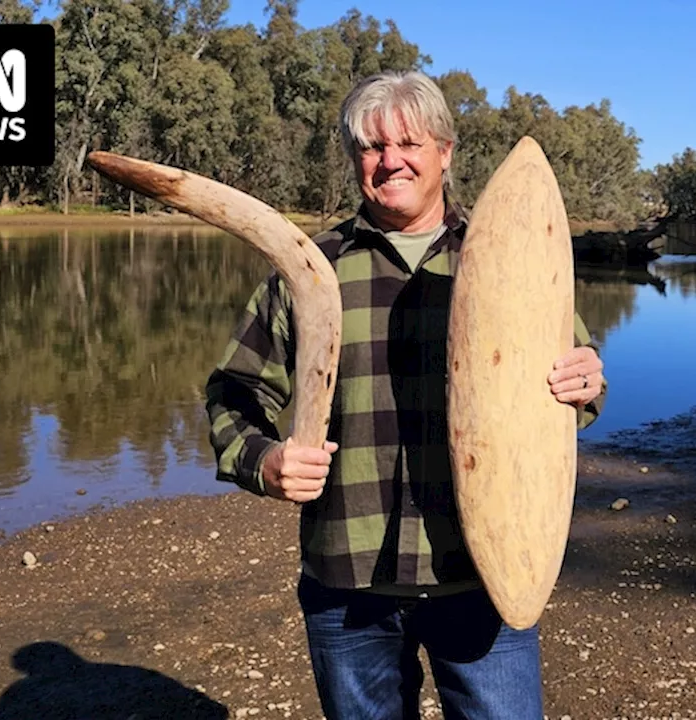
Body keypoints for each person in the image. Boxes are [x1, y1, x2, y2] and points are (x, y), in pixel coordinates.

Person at [204, 70, 607, 719]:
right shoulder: (312, 270)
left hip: (480, 574)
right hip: (348, 583)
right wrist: (263, 460)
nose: (390, 160)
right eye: (371, 146)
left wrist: (585, 383)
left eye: (409, 143)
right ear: (353, 159)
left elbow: (575, 382)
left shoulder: (506, 256)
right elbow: (234, 388)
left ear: (444, 152)